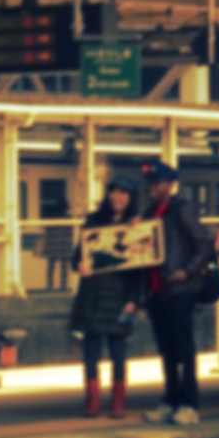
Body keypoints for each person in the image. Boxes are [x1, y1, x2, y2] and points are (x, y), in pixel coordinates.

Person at [141, 162, 213, 426]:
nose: (153, 188)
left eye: (158, 183)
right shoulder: (150, 213)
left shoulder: (181, 210)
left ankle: (189, 404)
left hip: (181, 290)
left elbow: (204, 243)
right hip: (157, 291)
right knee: (167, 350)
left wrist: (188, 270)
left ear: (169, 185)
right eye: (151, 183)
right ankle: (170, 401)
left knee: (183, 348)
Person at [70, 177, 144, 418]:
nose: (118, 197)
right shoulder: (93, 221)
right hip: (93, 294)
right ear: (109, 195)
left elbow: (140, 266)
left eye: (124, 193)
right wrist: (80, 265)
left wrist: (135, 299)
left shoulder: (137, 226)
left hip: (121, 295)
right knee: (91, 350)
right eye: (115, 192)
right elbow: (76, 257)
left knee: (118, 350)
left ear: (131, 198)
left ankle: (118, 401)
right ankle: (92, 400)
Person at [43, 199, 73, 291]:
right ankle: (63, 285)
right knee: (63, 267)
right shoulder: (68, 218)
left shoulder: (52, 218)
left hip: (53, 244)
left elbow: (47, 229)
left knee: (51, 266)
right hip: (63, 244)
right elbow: (70, 232)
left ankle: (49, 285)